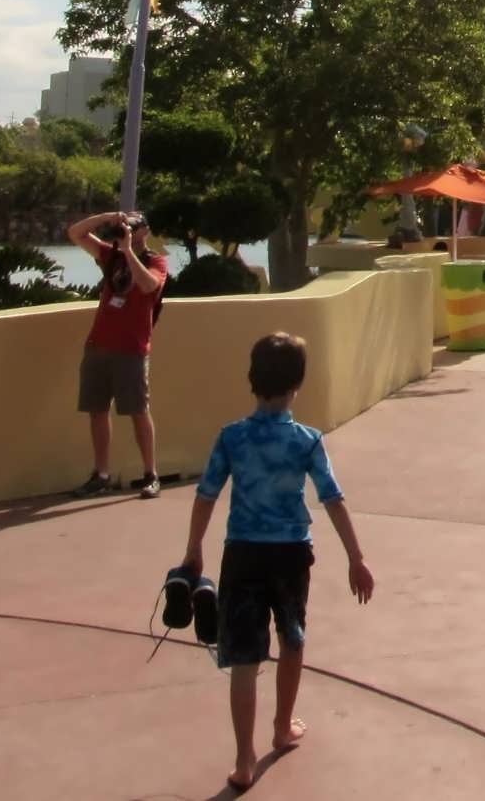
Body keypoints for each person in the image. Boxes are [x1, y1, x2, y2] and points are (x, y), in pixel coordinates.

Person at [180, 332, 375, 794]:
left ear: (253, 379)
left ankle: (244, 758)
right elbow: (333, 499)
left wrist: (193, 549)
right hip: (290, 556)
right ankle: (283, 726)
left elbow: (206, 496)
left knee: (244, 658)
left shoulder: (231, 438)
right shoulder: (306, 441)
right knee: (292, 637)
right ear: (297, 384)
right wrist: (357, 558)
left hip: (242, 553)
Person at [67, 209, 170, 499]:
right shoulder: (110, 257)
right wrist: (107, 218)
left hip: (132, 349)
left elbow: (149, 285)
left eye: (134, 227)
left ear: (145, 232)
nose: (127, 231)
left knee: (138, 410)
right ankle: (101, 474)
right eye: (125, 226)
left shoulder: (155, 261)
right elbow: (75, 233)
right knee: (97, 410)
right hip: (98, 345)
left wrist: (128, 250)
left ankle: (151, 474)